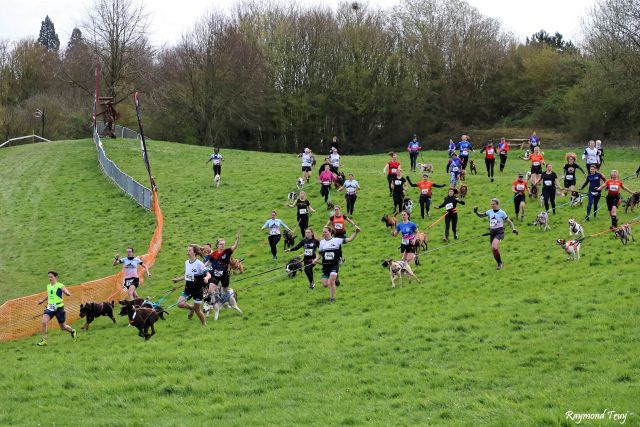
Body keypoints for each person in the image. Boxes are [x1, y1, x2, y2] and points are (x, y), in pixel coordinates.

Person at [313, 225, 361, 302]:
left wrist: (356, 232)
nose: (323, 233)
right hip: (325, 266)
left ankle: (332, 298)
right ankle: (335, 280)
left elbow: (349, 239)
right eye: (323, 232)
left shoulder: (337, 240)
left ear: (330, 232)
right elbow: (320, 254)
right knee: (325, 284)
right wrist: (315, 259)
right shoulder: (322, 242)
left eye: (325, 232)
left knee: (331, 281)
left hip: (334, 265)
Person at [473, 198, 518, 270]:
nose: (492, 205)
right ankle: (499, 263)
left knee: (494, 246)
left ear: (497, 204)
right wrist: (476, 212)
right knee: (494, 249)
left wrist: (514, 229)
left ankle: (500, 264)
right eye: (491, 204)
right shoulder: (489, 212)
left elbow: (509, 222)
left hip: (499, 232)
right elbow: (481, 216)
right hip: (492, 232)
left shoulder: (502, 213)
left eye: (493, 204)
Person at [36, 271, 77, 346]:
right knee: (44, 322)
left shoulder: (59, 285)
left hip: (59, 308)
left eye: (51, 276)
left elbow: (65, 291)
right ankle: (44, 340)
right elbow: (49, 295)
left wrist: (66, 292)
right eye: (49, 277)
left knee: (63, 327)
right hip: (50, 308)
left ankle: (72, 331)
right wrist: (42, 301)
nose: (50, 278)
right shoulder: (48, 286)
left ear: (56, 277)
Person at [172, 245, 209, 325]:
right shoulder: (186, 262)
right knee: (180, 304)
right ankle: (192, 308)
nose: (187, 252)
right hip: (188, 288)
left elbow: (208, 274)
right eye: (187, 250)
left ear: (194, 252)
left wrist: (206, 278)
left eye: (189, 251)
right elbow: (188, 275)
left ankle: (204, 325)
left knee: (198, 310)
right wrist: (177, 280)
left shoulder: (199, 263)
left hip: (197, 290)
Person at [205, 232, 240, 299]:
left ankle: (232, 295)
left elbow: (235, 247)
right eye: (221, 244)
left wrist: (237, 239)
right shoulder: (214, 253)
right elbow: (208, 262)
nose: (222, 245)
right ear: (217, 245)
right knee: (210, 291)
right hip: (216, 275)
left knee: (225, 292)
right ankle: (215, 302)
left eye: (223, 244)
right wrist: (202, 268)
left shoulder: (227, 251)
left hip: (225, 275)